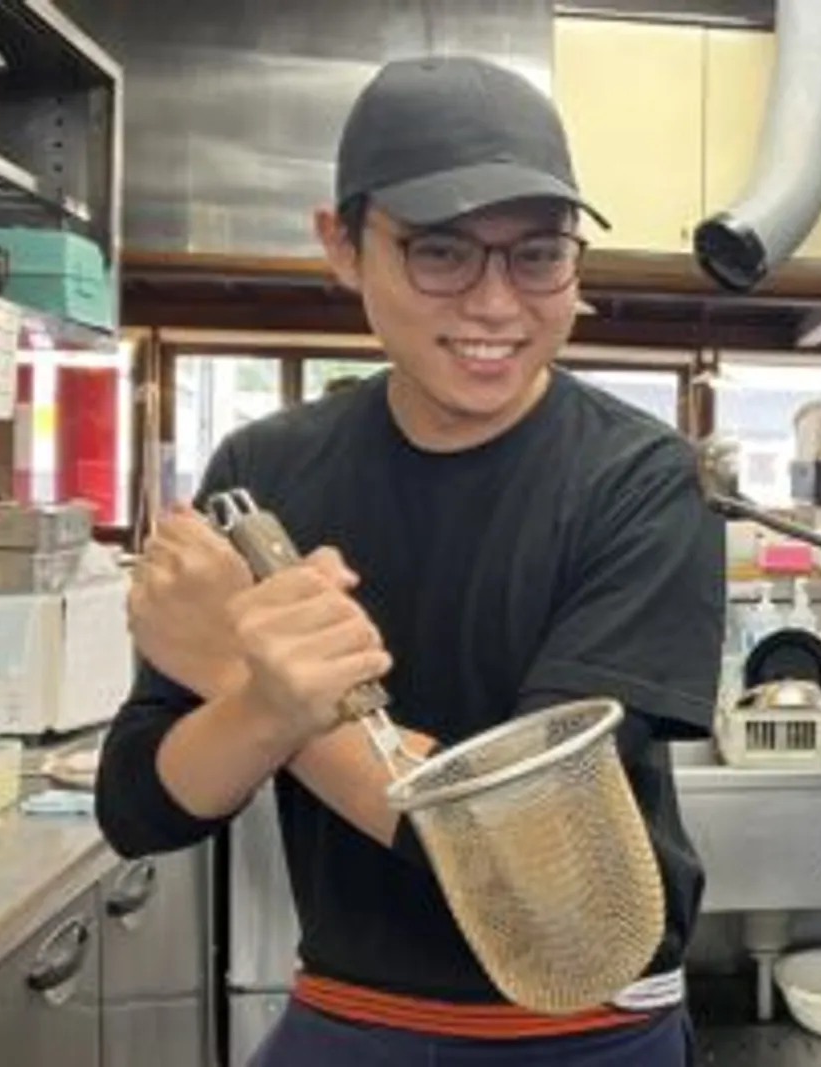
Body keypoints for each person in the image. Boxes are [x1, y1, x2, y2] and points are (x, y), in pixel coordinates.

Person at [96, 55, 724, 1067]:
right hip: (344, 1008)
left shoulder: (640, 480)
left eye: (538, 254)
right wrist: (260, 700)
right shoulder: (262, 473)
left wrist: (238, 673)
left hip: (586, 1025)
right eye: (439, 250)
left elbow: (549, 875)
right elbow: (139, 806)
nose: (495, 303)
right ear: (341, 246)